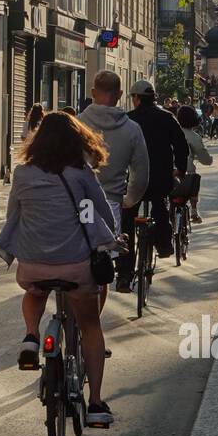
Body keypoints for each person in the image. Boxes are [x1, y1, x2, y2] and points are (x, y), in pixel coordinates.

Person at [0, 111, 119, 424]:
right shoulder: (81, 173)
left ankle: (31, 336)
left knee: (35, 292)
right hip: (75, 266)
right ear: (77, 140)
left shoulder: (23, 174)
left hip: (33, 265)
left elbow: (14, 214)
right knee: (90, 325)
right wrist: (111, 236)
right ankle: (95, 405)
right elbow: (104, 214)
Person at [80, 70, 149, 318]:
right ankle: (91, 327)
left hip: (79, 204)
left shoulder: (77, 124)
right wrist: (129, 200)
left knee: (76, 261)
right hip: (111, 205)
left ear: (92, 93)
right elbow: (141, 172)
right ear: (120, 95)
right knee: (101, 268)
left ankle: (72, 317)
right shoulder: (132, 129)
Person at [115, 79, 190, 291]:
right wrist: (180, 169)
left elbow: (117, 149)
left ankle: (124, 273)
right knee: (160, 206)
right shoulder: (166, 117)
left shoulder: (128, 119)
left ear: (137, 98)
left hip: (135, 181)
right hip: (161, 179)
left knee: (127, 219)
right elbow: (181, 145)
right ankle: (165, 244)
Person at [177, 105, 212, 222]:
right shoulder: (194, 137)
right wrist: (209, 159)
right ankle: (194, 210)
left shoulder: (171, 132)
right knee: (194, 177)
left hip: (168, 175)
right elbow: (205, 160)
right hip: (186, 176)